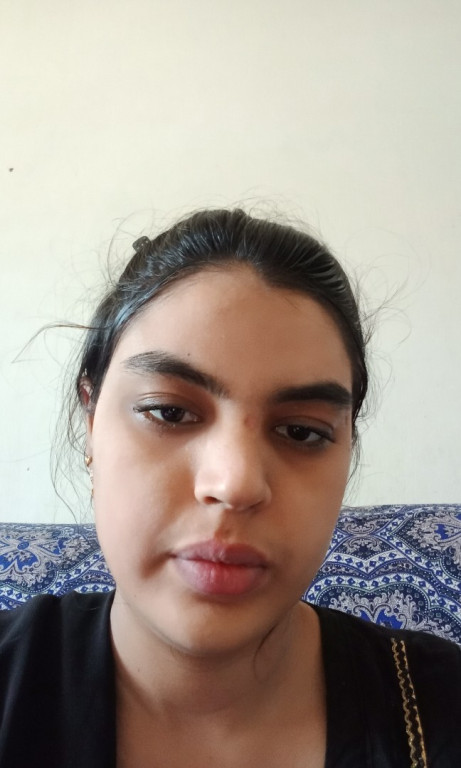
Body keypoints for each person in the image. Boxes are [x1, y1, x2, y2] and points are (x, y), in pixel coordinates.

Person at [0, 208, 459, 767]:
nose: (235, 484)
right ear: (90, 420)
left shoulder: (439, 710)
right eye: (169, 412)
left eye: (301, 432)